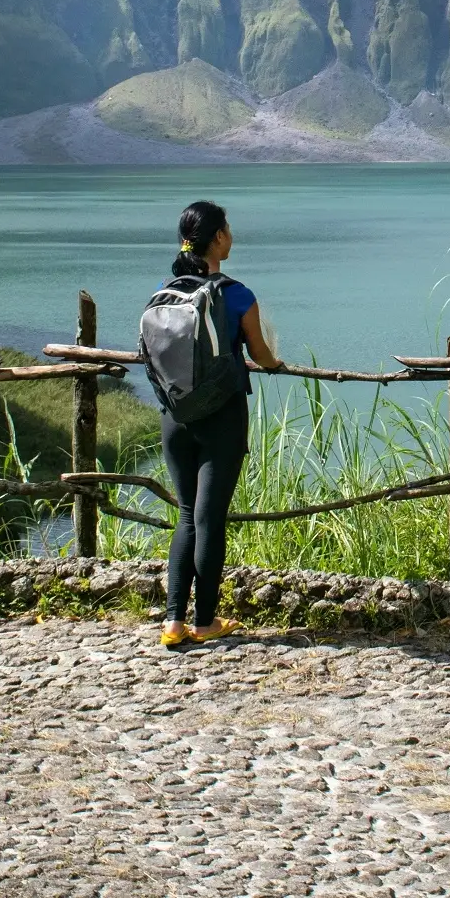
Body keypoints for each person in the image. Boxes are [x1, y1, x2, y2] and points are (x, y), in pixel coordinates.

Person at [159, 200, 284, 646]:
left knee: (187, 515)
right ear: (216, 239)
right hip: (222, 417)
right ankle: (206, 620)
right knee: (211, 518)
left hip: (174, 416)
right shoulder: (236, 294)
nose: (231, 236)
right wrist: (275, 362)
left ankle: (173, 621)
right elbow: (260, 355)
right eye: (227, 230)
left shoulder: (167, 289)